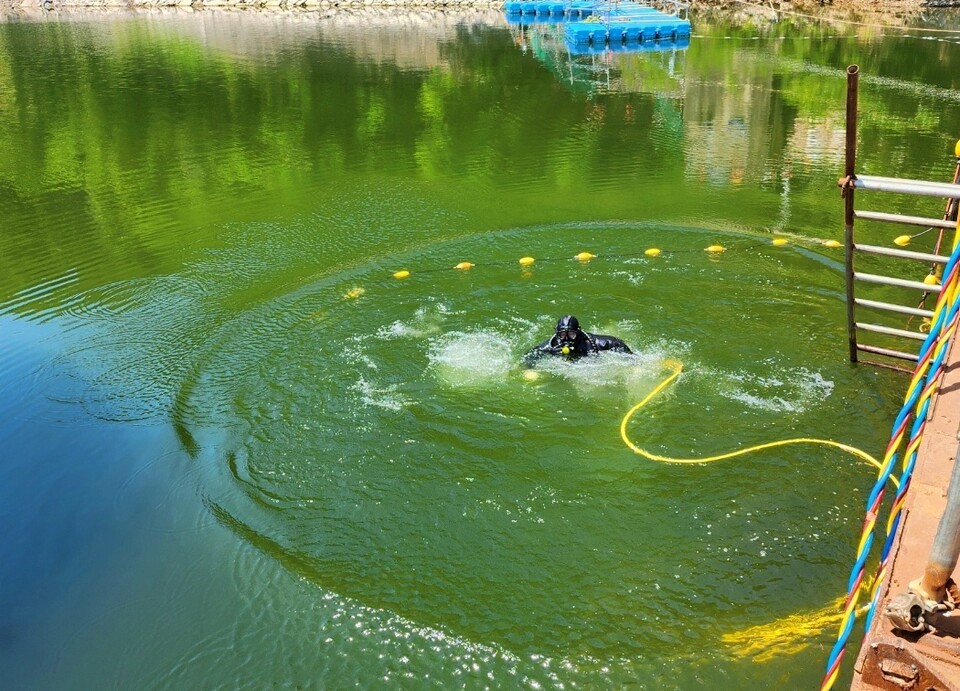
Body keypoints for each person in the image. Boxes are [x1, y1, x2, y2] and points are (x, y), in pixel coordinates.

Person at [523, 315, 633, 365]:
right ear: (556, 333)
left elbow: (616, 344)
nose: (566, 339)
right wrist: (529, 370)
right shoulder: (552, 345)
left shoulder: (594, 343)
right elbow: (530, 356)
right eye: (562, 335)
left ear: (578, 332)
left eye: (571, 334)